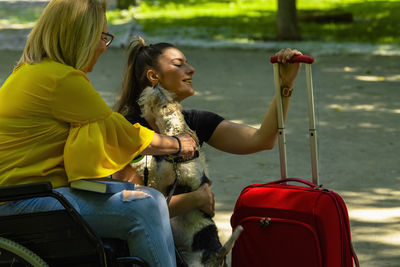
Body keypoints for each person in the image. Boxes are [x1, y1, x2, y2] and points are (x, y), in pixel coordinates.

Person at [0, 1, 197, 266]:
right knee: (145, 207)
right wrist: (175, 143)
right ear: (79, 37)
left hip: (25, 197)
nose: (105, 46)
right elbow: (116, 131)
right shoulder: (61, 80)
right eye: (102, 37)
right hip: (26, 203)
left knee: (147, 199)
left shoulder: (30, 72)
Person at [113, 36, 302, 218]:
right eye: (179, 64)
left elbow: (263, 140)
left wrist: (285, 85)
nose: (191, 69)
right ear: (153, 76)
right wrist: (196, 198)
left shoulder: (194, 123)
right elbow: (138, 210)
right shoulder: (128, 129)